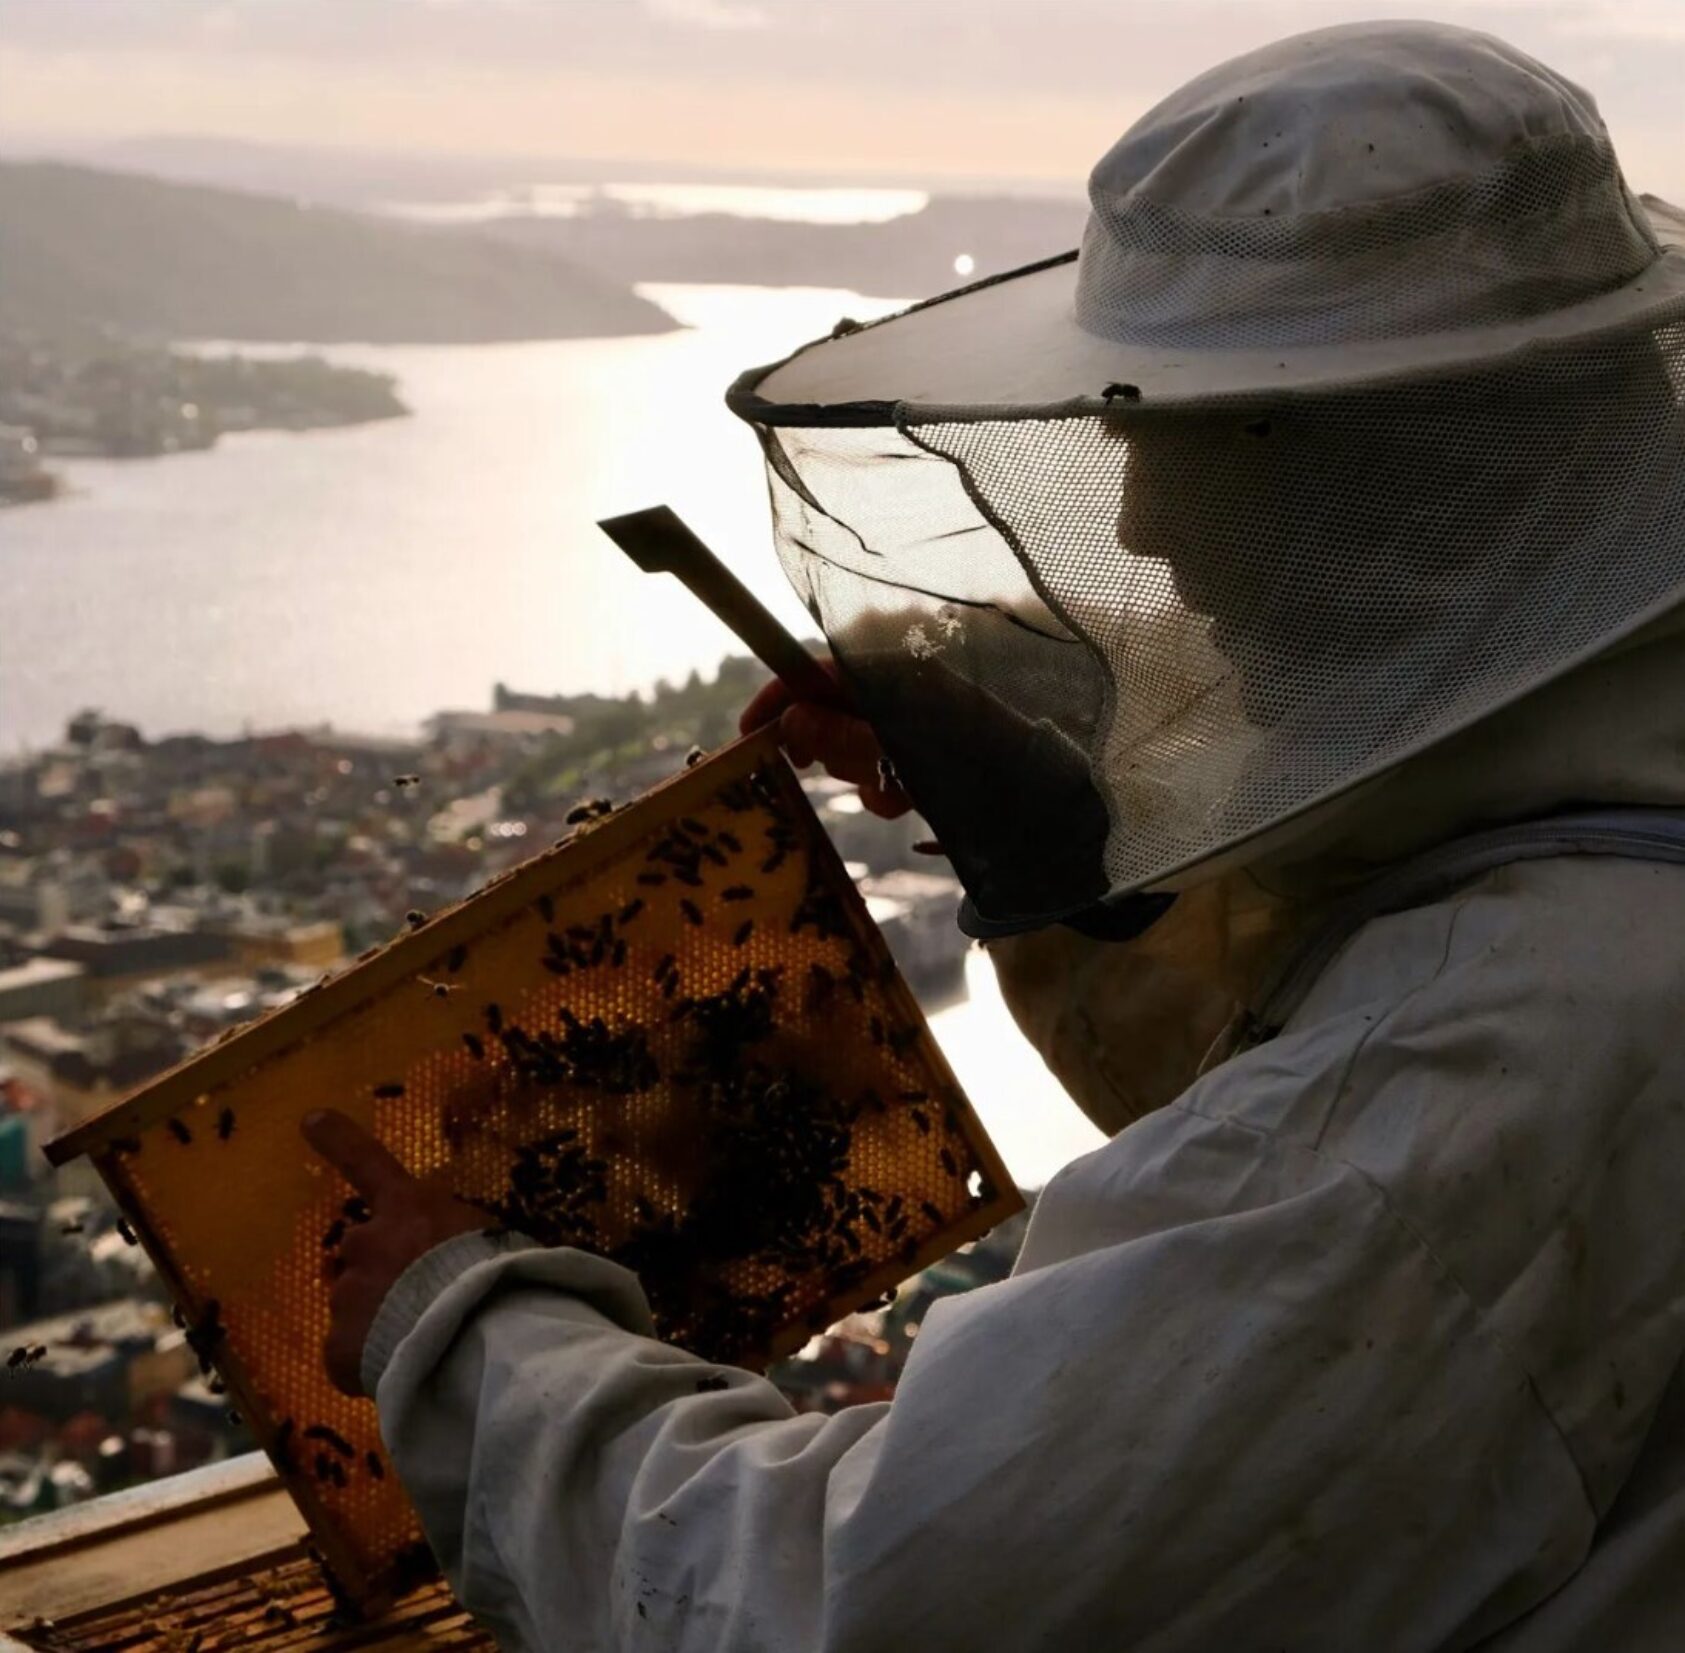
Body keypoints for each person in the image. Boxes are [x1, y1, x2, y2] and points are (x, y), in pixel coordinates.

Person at [303, 21, 1685, 1649]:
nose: (1139, 523)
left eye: (1187, 449)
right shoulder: (1587, 893)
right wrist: (1073, 852)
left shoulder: (1458, 1099)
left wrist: (465, 1327)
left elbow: (852, 1603)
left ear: (1395, 483)